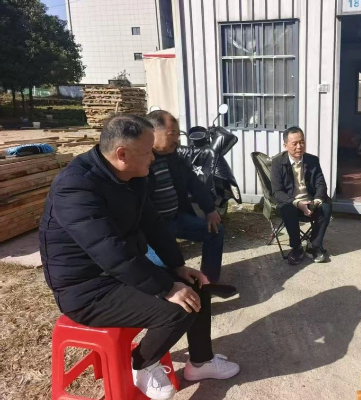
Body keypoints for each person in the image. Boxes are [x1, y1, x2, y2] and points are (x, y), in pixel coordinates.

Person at [39, 115, 239, 400]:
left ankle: (200, 362)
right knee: (177, 309)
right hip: (86, 290)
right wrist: (166, 287)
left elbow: (153, 224)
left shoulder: (132, 177)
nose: (153, 157)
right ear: (122, 154)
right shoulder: (76, 188)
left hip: (117, 275)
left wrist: (177, 267)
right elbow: (110, 252)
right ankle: (141, 364)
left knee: (196, 286)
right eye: (147, 151)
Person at [145, 110, 225, 283]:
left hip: (175, 218)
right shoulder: (140, 160)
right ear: (152, 132)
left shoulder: (173, 156)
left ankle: (207, 283)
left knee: (215, 231)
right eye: (172, 134)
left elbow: (193, 182)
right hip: (151, 228)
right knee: (168, 268)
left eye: (178, 134)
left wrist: (210, 209)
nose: (177, 140)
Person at [271, 126, 332, 265]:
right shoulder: (278, 162)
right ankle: (296, 247)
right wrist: (297, 203)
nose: (299, 147)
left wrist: (316, 200)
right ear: (285, 145)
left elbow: (321, 184)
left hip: (310, 200)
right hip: (292, 202)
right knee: (287, 209)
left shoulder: (312, 160)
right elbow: (277, 191)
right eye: (295, 143)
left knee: (326, 206)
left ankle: (314, 245)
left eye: (302, 142)